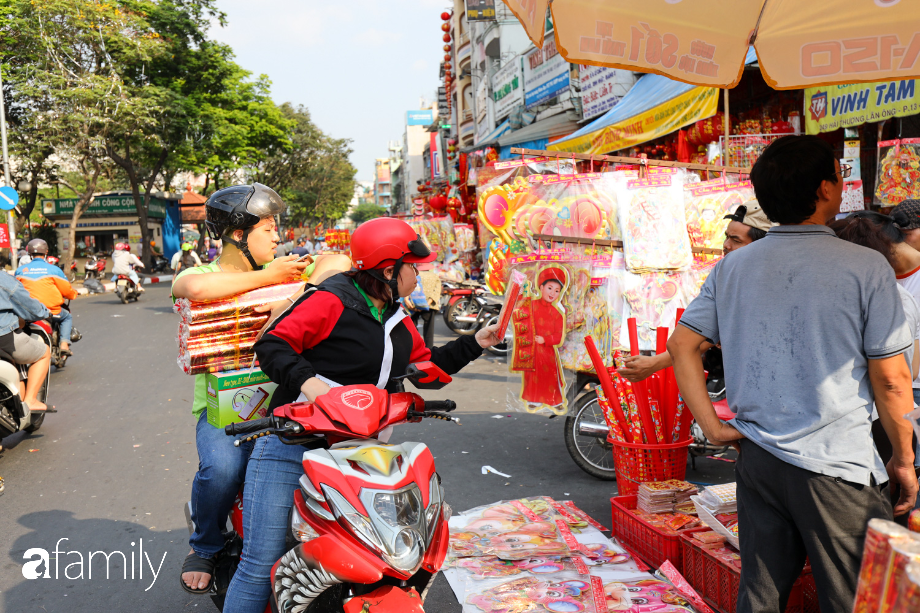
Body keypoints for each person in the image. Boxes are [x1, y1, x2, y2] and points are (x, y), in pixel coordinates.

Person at [668, 135, 917, 613]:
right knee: (854, 601)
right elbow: (891, 379)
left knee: (760, 598)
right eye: (839, 177)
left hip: (759, 459)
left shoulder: (733, 267)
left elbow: (683, 344)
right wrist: (904, 458)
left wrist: (711, 426)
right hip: (836, 467)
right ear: (826, 190)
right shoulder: (866, 267)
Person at [223, 217, 501, 613]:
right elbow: (273, 344)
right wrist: (311, 386)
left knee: (389, 556)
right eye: (414, 267)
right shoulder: (330, 299)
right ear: (389, 270)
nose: (419, 275)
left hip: (361, 454)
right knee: (259, 562)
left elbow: (425, 370)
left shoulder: (395, 314)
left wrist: (475, 343)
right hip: (294, 444)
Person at [173, 183, 350, 595]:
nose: (277, 236)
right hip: (224, 412)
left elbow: (338, 260)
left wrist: (298, 294)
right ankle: (205, 544)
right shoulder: (202, 273)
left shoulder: (294, 273)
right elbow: (192, 291)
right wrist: (268, 279)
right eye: (268, 228)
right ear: (238, 234)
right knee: (223, 470)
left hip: (289, 404)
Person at [617, 200, 774, 383]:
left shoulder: (779, 283)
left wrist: (654, 363)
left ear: (762, 246)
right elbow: (692, 342)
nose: (726, 245)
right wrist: (653, 363)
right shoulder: (725, 277)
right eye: (727, 237)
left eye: (736, 240)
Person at [0, 272, 53, 413]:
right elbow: (29, 306)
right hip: (4, 338)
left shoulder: (22, 271)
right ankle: (30, 400)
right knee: (44, 353)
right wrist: (45, 312)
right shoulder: (4, 279)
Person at [15, 239, 78, 357]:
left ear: (29, 253)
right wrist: (73, 294)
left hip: (26, 313)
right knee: (67, 317)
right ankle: (64, 344)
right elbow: (67, 291)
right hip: (51, 311)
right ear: (46, 252)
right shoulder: (54, 270)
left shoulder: (20, 271)